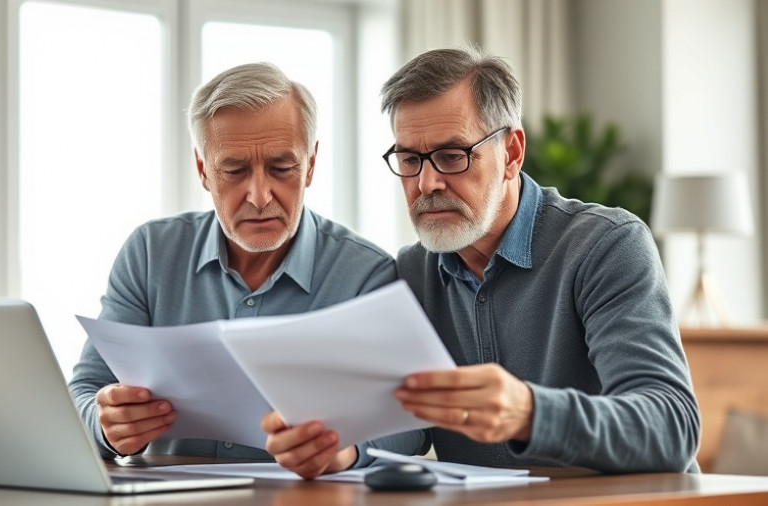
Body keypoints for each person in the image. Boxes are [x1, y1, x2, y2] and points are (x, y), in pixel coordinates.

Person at [263, 44, 701, 475]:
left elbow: (671, 427)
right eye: (410, 159)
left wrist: (529, 413)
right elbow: (409, 421)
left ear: (511, 153)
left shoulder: (605, 246)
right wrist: (346, 449)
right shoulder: (414, 272)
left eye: (452, 156)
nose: (427, 182)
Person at [68, 62, 397, 467]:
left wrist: (347, 450)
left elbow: (411, 423)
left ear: (310, 165)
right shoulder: (150, 254)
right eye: (235, 170)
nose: (259, 195)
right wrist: (107, 426)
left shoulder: (366, 275)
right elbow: (85, 389)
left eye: (281, 168)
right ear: (204, 170)